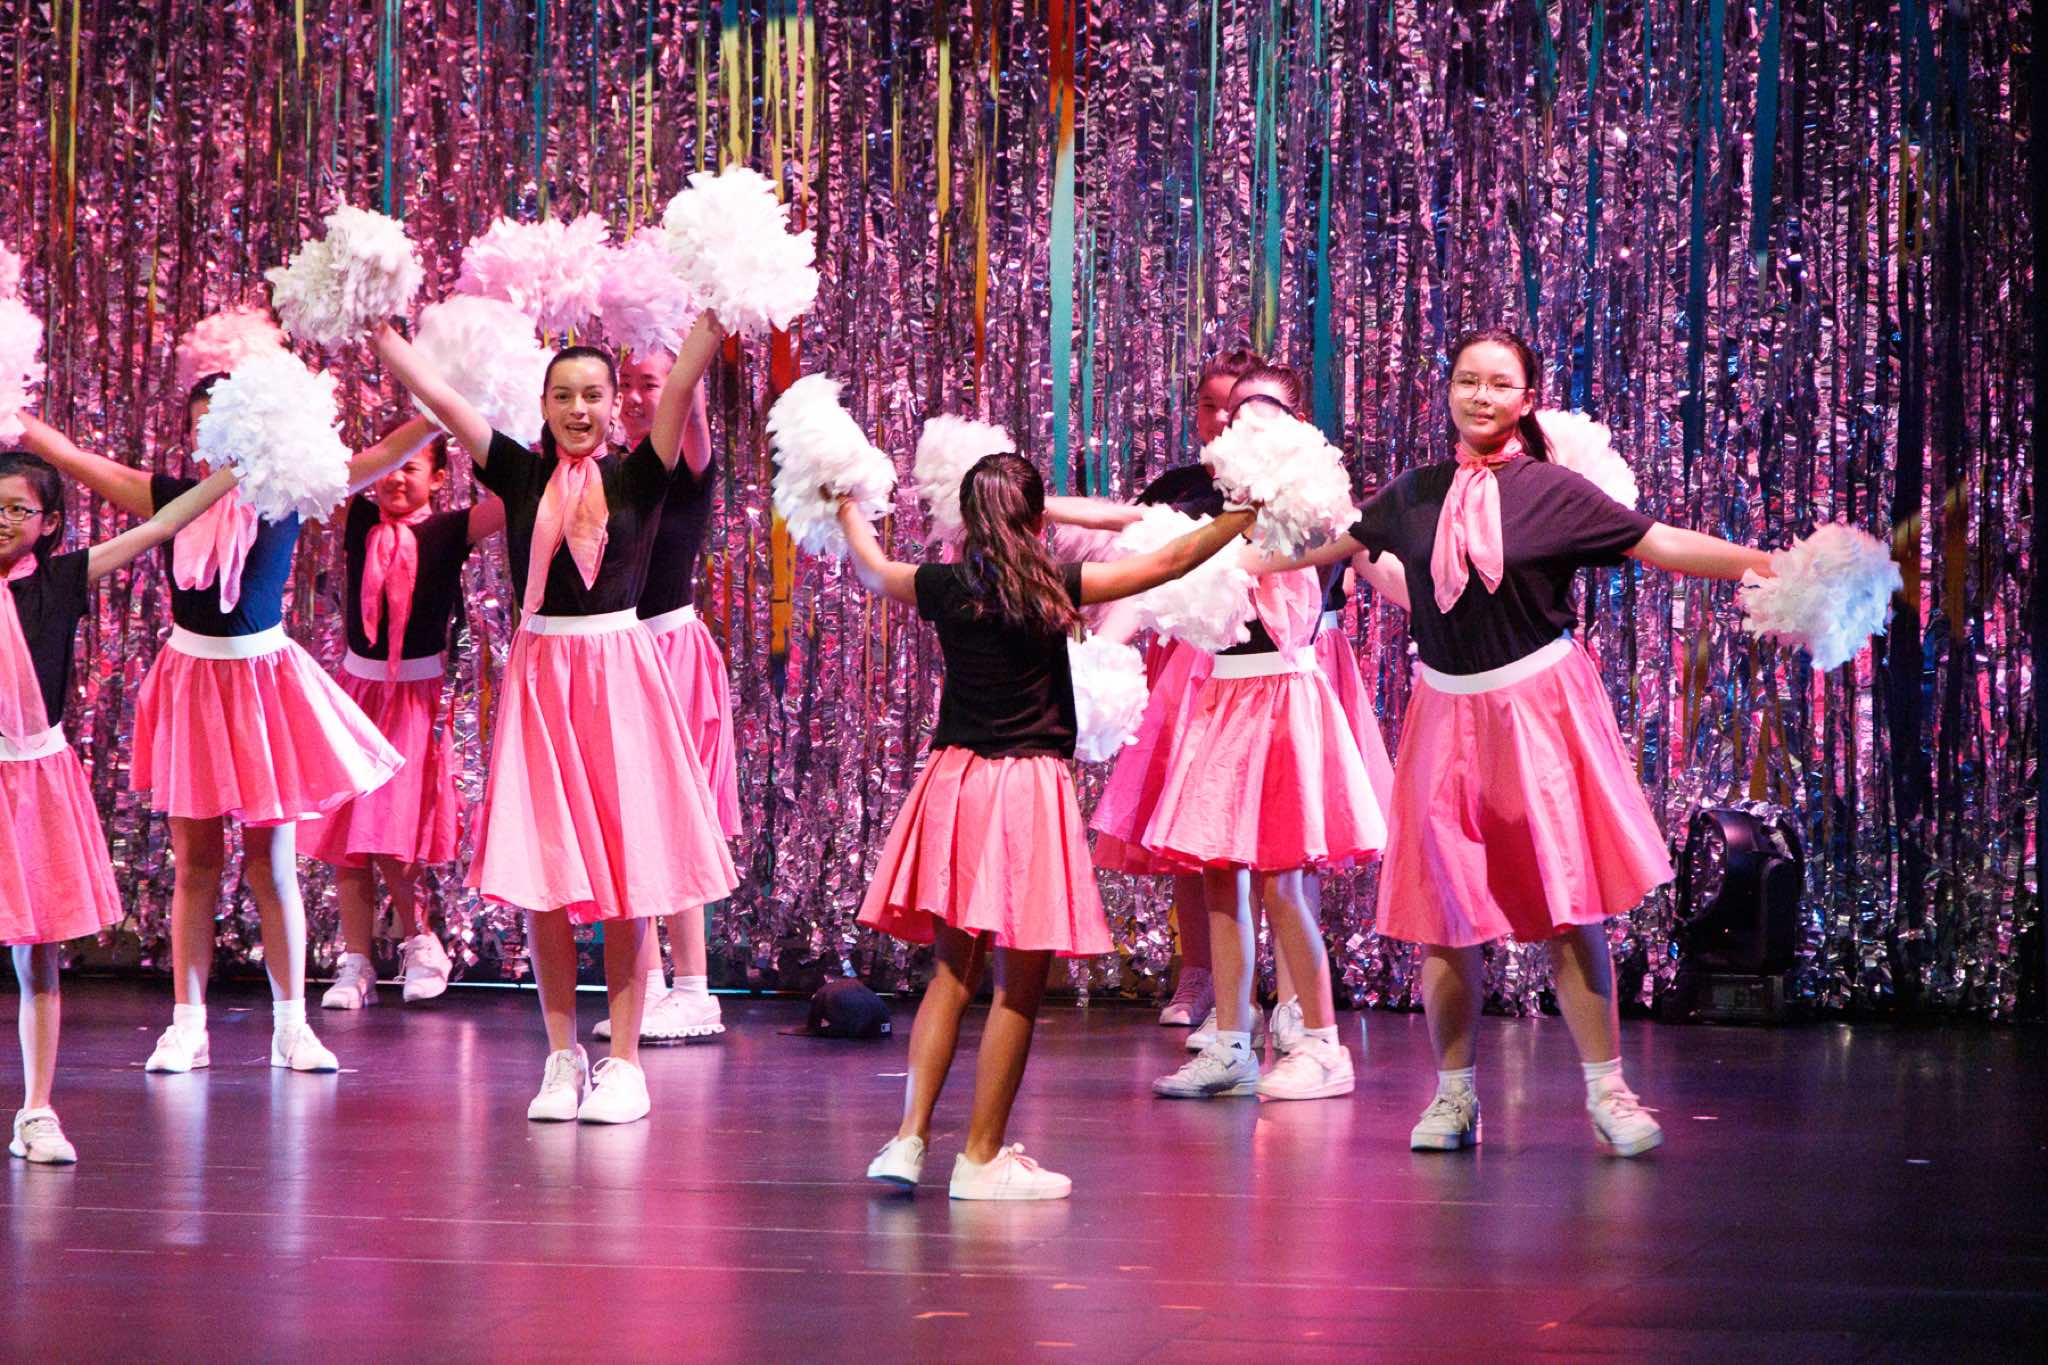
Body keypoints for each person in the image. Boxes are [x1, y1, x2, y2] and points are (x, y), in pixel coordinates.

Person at [1295, 327, 1775, 1154]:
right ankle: (1453, 1096)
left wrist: (1764, 562)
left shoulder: (1553, 491)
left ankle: (1609, 1090)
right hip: (1444, 715)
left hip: (1537, 712)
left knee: (1567, 903)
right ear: (1448, 390)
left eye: (1498, 383)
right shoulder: (1413, 493)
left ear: (1527, 399)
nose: (1480, 396)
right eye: (1466, 380)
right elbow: (1321, 546)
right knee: (1445, 913)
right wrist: (1208, 548)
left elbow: (1658, 541)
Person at [846, 452, 1255, 1197]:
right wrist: (1244, 514)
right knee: (1018, 986)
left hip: (955, 785)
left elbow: (874, 569)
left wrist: (844, 502)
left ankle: (908, 1141)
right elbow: (1168, 562)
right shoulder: (1056, 585)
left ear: (969, 522)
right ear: (1039, 521)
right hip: (1026, 790)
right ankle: (980, 1158)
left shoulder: (942, 585)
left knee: (951, 974)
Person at [371, 311, 736, 1124]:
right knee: (546, 880)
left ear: (614, 407)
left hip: (620, 678)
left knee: (627, 881)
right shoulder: (518, 471)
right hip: (542, 681)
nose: (579, 409)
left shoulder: (641, 472)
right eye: (564, 395)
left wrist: (714, 317)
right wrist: (382, 336)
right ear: (543, 405)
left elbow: (680, 384)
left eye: (593, 395)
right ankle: (561, 1058)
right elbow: (443, 398)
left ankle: (624, 1065)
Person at [16, 398, 415, 1077]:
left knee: (271, 865)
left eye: (230, 419)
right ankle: (187, 1026)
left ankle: (292, 1027)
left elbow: (376, 460)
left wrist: (441, 411)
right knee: (196, 864)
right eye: (204, 422)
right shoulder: (173, 496)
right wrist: (13, 414)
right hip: (193, 684)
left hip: (263, 688)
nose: (220, 436)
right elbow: (78, 460)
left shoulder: (287, 491)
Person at [1, 450, 237, 1161]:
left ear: (48, 523)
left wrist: (241, 469)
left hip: (34, 777)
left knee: (39, 952)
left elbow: (161, 524)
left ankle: (37, 1110)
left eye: (17, 509)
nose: (2, 520)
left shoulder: (62, 579)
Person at [312, 433, 504, 1009]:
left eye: (412, 468)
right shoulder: (358, 518)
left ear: (439, 479)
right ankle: (357, 961)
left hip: (415, 697)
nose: (396, 478)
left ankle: (421, 942)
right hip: (356, 693)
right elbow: (331, 479)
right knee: (348, 837)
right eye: (389, 466)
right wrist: (395, 447)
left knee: (392, 833)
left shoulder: (448, 530)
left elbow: (513, 500)